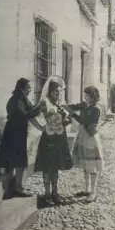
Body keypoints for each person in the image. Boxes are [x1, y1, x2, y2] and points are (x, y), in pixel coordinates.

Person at [0, 78, 42, 198]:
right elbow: (26, 115)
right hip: (13, 133)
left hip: (18, 133)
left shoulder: (23, 99)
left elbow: (31, 115)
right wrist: (38, 109)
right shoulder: (16, 100)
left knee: (18, 162)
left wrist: (41, 127)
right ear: (21, 88)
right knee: (12, 162)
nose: (30, 89)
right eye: (28, 87)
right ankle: (12, 189)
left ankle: (16, 187)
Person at [33, 77, 73, 205]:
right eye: (56, 91)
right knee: (47, 166)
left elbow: (64, 122)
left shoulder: (60, 104)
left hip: (59, 138)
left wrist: (68, 119)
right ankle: (47, 194)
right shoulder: (45, 103)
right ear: (50, 91)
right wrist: (40, 127)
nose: (59, 94)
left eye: (60, 91)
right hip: (48, 138)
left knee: (55, 166)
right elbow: (32, 115)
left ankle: (55, 193)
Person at [64, 86, 104, 201]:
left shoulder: (96, 109)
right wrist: (64, 105)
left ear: (93, 97)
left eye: (87, 96)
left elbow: (84, 122)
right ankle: (86, 190)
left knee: (91, 165)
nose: (85, 97)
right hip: (82, 135)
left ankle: (93, 192)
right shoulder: (84, 105)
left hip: (90, 136)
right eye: (85, 95)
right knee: (85, 165)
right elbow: (72, 107)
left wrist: (72, 113)